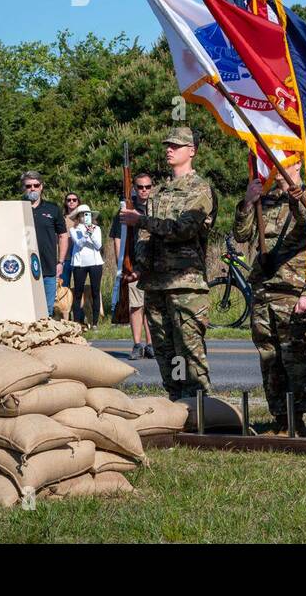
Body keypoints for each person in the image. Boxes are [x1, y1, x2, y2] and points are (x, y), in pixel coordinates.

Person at [121, 128, 217, 400]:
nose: (169, 149)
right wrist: (138, 266)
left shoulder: (200, 189)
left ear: (192, 151)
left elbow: (184, 229)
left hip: (186, 284)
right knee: (166, 352)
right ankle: (178, 403)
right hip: (156, 284)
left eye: (177, 145)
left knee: (189, 349)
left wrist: (140, 220)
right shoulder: (159, 192)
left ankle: (201, 406)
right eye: (168, 145)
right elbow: (145, 237)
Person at [233, 172, 306, 435]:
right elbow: (241, 234)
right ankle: (280, 417)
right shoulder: (265, 199)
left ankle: (298, 419)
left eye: (284, 160)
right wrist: (248, 202)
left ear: (297, 161)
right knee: (269, 356)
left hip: (292, 287)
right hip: (263, 286)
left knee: (295, 356)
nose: (276, 166)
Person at [111, 172, 154, 360]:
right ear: (134, 189)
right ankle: (137, 344)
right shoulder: (126, 209)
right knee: (136, 306)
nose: (144, 190)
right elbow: (118, 237)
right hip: (134, 264)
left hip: (155, 265)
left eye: (148, 187)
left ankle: (151, 344)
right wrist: (121, 265)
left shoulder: (157, 207)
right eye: (140, 187)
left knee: (152, 307)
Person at [21, 171, 68, 313]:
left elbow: (63, 236)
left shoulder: (53, 209)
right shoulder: (17, 207)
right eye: (28, 186)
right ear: (23, 188)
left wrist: (60, 262)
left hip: (48, 266)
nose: (32, 188)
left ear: (41, 187)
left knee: (47, 309)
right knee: (26, 309)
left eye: (36, 185)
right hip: (24, 268)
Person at [68, 203, 104, 328]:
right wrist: (86, 234)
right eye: (82, 214)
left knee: (95, 291)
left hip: (95, 263)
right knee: (78, 292)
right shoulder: (74, 230)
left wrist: (91, 233)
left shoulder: (97, 229)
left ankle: (95, 323)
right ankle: (77, 322)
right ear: (78, 216)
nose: (84, 217)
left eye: (87, 214)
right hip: (79, 264)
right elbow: (79, 244)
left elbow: (98, 246)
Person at [60, 192, 81, 288]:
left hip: (79, 257)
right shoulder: (61, 218)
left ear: (78, 202)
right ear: (65, 202)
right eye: (69, 200)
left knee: (78, 286)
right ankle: (65, 303)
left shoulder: (83, 218)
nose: (71, 202)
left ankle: (76, 303)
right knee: (64, 286)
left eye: (74, 200)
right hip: (65, 258)